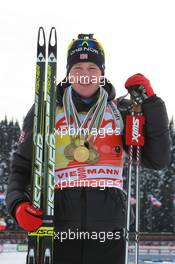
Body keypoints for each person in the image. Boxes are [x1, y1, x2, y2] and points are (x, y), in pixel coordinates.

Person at [6, 33, 171, 264]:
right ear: (67, 72)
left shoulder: (121, 112)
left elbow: (158, 158)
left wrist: (152, 104)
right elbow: (21, 168)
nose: (85, 75)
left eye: (92, 68)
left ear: (102, 73)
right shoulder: (45, 111)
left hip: (109, 232)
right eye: (78, 68)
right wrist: (17, 205)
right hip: (55, 229)